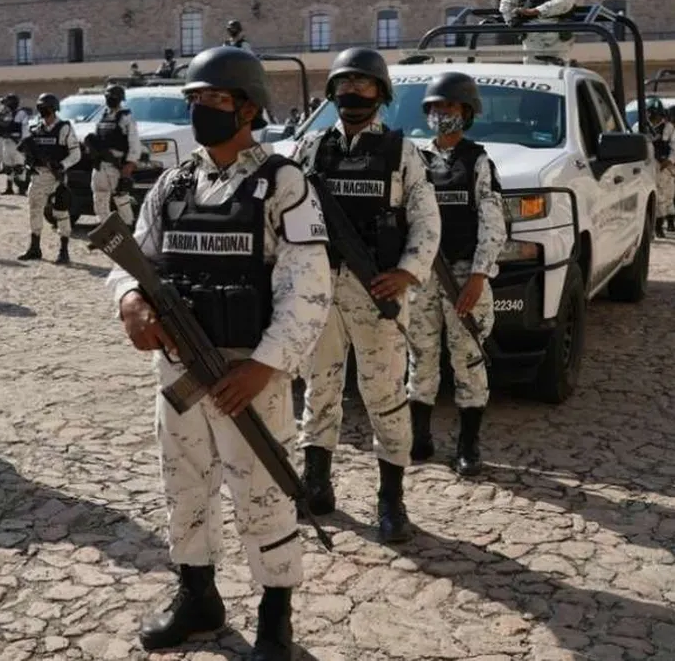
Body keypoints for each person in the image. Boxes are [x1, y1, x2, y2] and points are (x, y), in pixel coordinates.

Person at [105, 45, 331, 660]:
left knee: (262, 493)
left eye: (215, 98)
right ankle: (198, 595)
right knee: (184, 484)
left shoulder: (284, 184)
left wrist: (265, 365)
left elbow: (309, 287)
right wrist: (130, 300)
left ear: (248, 109)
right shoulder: (175, 182)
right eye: (195, 99)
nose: (201, 107)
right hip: (180, 369)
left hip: (247, 374)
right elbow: (135, 258)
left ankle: (275, 615)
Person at [291, 48, 441, 542]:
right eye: (344, 83)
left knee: (384, 395)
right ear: (331, 91)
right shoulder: (309, 148)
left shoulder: (401, 153)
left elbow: (426, 222)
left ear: (381, 93)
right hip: (319, 292)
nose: (353, 92)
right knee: (319, 388)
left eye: (363, 83)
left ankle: (391, 500)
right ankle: (316, 485)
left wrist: (407, 273)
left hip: (376, 291)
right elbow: (284, 213)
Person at [409, 72, 507, 477]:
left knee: (468, 359)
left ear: (466, 112)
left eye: (448, 106)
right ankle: (419, 437)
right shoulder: (416, 160)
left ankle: (468, 445)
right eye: (434, 106)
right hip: (422, 274)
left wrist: (479, 276)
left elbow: (493, 223)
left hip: (465, 274)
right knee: (420, 356)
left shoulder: (478, 161)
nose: (440, 113)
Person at [17, 93, 80, 264]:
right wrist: (29, 163)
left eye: (45, 107)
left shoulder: (64, 128)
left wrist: (62, 165)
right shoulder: (36, 129)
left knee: (61, 212)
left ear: (53, 109)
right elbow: (26, 152)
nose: (42, 111)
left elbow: (76, 154)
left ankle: (64, 250)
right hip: (39, 176)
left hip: (57, 177)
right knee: (35, 210)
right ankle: (34, 248)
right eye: (40, 107)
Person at [89, 84, 141, 227]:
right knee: (99, 197)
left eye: (113, 97)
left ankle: (128, 227)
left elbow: (134, 142)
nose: (110, 99)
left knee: (121, 198)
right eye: (108, 96)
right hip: (101, 164)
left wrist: (130, 164)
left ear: (120, 99)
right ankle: (105, 228)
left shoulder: (126, 117)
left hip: (117, 165)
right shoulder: (103, 116)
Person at [648, 100, 675, 237]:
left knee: (667, 197)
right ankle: (655, 226)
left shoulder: (668, 128)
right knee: (655, 197)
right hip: (648, 166)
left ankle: (664, 224)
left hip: (665, 167)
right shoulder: (640, 127)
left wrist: (670, 161)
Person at [0, 94, 29, 195]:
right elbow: (1, 125)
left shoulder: (21, 113)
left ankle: (21, 188)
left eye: (8, 102)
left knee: (19, 166)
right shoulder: (6, 113)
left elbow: (23, 128)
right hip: (6, 141)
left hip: (17, 142)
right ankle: (9, 188)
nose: (7, 104)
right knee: (8, 166)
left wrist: (23, 141)